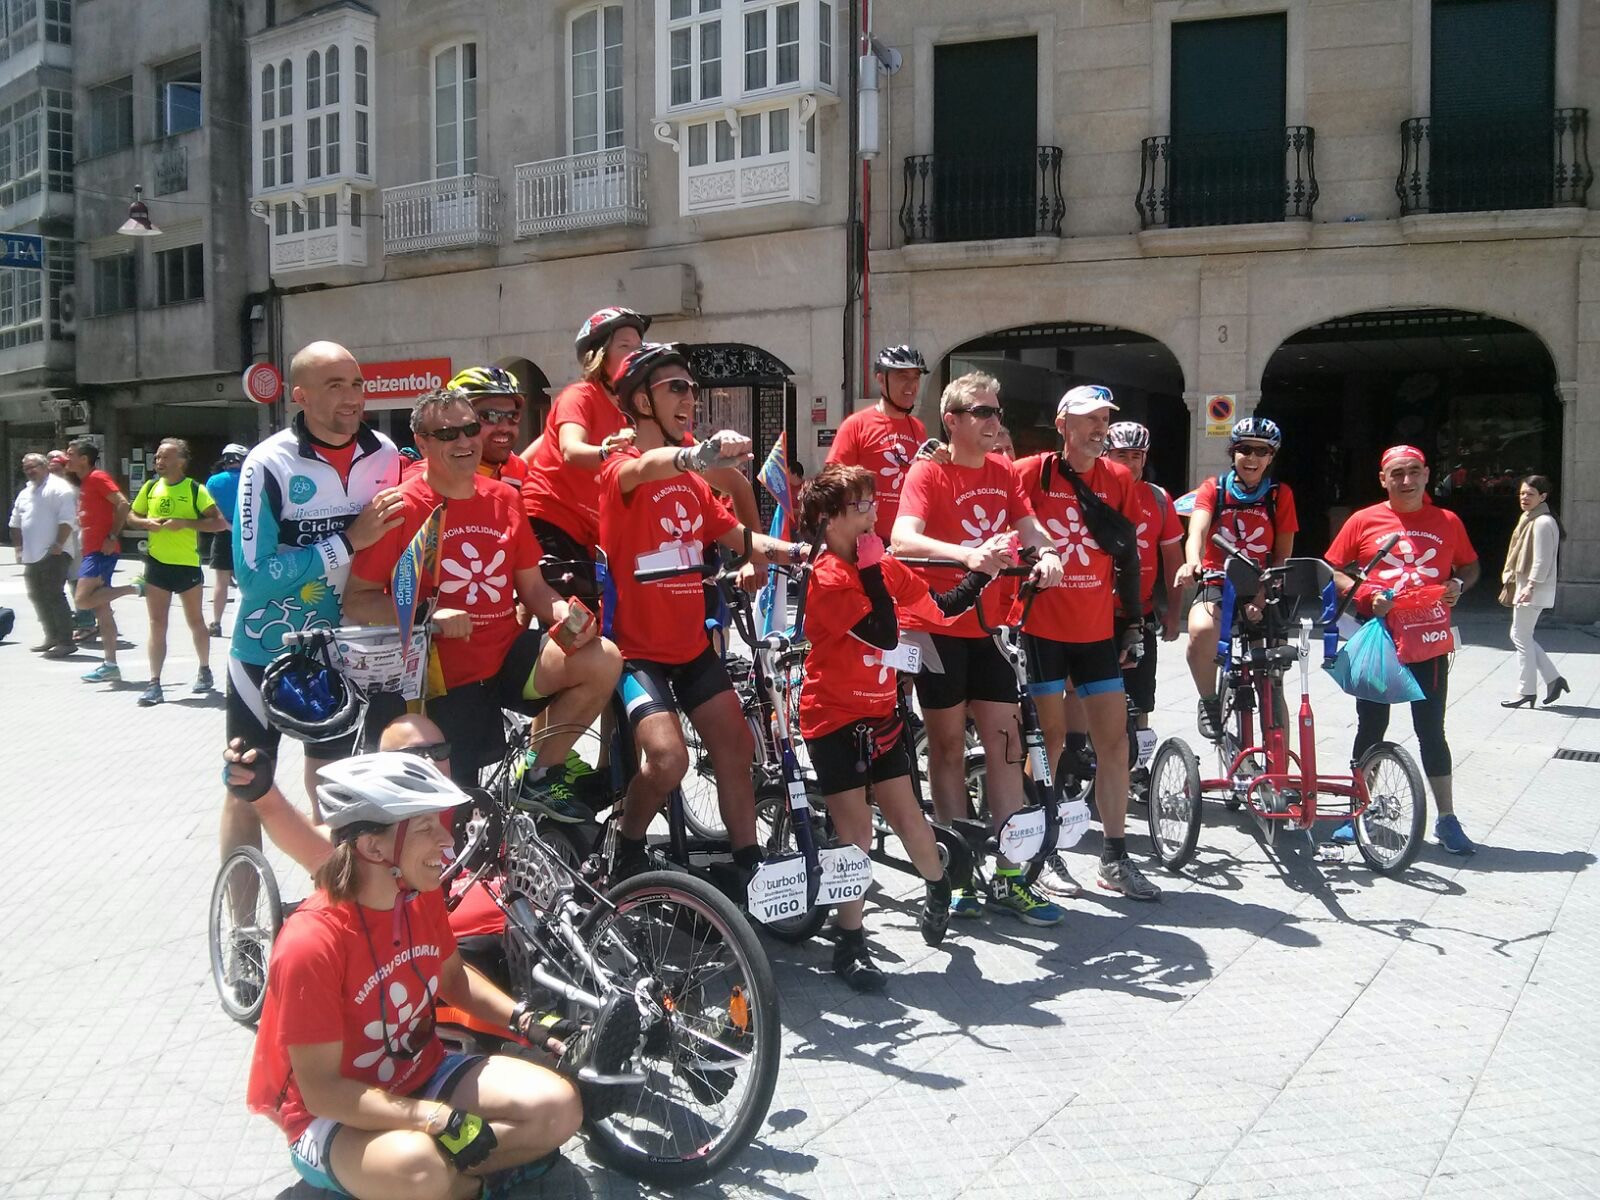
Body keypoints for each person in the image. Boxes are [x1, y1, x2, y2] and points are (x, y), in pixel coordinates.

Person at [244, 752, 584, 1200]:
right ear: (373, 847)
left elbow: (454, 981)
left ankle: (456, 1182)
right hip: (332, 1116)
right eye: (425, 827)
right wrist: (433, 1118)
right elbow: (324, 1094)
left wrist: (526, 1022)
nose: (446, 841)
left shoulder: (417, 897)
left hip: (421, 1072)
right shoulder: (310, 943)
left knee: (560, 1108)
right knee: (420, 1168)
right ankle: (456, 1179)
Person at [346, 389, 622, 809]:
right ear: (421, 442)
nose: (464, 441)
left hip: (506, 657)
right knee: (457, 809)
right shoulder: (401, 505)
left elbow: (532, 589)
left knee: (602, 657)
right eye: (447, 433)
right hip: (442, 680)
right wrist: (430, 616)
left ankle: (537, 776)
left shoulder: (506, 498)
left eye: (471, 428)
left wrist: (561, 611)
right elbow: (358, 600)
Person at [598, 343, 803, 881]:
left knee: (737, 748)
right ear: (641, 401)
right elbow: (646, 465)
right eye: (676, 389)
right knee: (669, 761)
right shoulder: (621, 469)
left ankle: (748, 866)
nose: (690, 398)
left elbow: (741, 538)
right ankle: (629, 846)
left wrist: (804, 553)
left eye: (693, 388)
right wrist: (695, 455)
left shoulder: (693, 483)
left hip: (692, 650)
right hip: (637, 656)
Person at [798, 464, 986, 988]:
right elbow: (882, 633)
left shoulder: (874, 564)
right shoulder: (829, 575)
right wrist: (874, 570)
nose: (873, 515)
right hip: (832, 718)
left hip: (880, 715)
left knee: (909, 818)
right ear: (829, 518)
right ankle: (850, 944)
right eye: (861, 507)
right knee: (855, 832)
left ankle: (938, 883)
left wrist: (984, 571)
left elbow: (942, 610)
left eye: (873, 504)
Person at [891, 371, 1067, 925]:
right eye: (982, 412)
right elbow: (902, 539)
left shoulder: (1001, 470)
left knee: (1006, 745)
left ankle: (1012, 875)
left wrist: (1048, 553)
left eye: (997, 410)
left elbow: (1030, 527)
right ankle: (960, 871)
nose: (995, 422)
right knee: (943, 749)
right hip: (939, 627)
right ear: (953, 420)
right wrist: (965, 556)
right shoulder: (929, 471)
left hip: (992, 627)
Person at [227, 341, 404, 861]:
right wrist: (348, 540)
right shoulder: (268, 463)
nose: (352, 398)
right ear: (299, 396)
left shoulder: (387, 456)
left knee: (333, 780)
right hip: (268, 648)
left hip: (347, 647)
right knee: (247, 782)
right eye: (335, 386)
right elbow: (253, 576)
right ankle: (241, 926)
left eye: (357, 383)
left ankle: (332, 891)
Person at [1012, 387, 1160, 902]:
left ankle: (1115, 856)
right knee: (1048, 742)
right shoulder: (1032, 472)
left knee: (1115, 742)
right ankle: (1043, 847)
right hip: (1041, 629)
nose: (1098, 428)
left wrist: (1135, 622)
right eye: (1087, 419)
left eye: (1104, 419)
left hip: (1097, 631)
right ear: (1062, 424)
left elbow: (1129, 556)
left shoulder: (1120, 478)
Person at [1325, 444, 1481, 856]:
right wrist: (1365, 594)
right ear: (1384, 479)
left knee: (1432, 729)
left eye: (1414, 471)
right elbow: (1334, 570)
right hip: (1379, 641)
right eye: (1397, 473)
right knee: (1371, 727)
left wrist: (1458, 586)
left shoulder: (1447, 521)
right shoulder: (1363, 520)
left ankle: (1447, 820)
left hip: (1427, 640)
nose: (1406, 480)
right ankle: (1358, 809)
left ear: (1428, 474)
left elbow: (1470, 565)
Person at [1174, 417, 1298, 740]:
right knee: (1200, 632)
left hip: (1264, 583)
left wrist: (1261, 597)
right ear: (1233, 452)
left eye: (1262, 451)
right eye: (1245, 449)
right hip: (1218, 580)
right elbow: (1196, 532)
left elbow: (1283, 554)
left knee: (1270, 682)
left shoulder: (1278, 495)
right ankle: (1209, 700)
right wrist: (1191, 564)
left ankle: (1279, 769)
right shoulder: (1213, 489)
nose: (1252, 458)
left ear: (1271, 457)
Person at [125, 438, 227, 705]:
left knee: (195, 621)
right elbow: (131, 517)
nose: (159, 462)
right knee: (157, 624)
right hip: (157, 564)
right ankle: (154, 683)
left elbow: (218, 523)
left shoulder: (195, 489)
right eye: (157, 457)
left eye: (165, 457)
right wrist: (146, 522)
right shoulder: (150, 488)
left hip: (187, 565)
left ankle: (204, 669)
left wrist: (185, 522)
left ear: (181, 461)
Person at [1104, 421, 1185, 727]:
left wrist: (1174, 614)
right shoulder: (1092, 493)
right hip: (1095, 614)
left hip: (1141, 614)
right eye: (1121, 454)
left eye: (1136, 455)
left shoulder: (1159, 499)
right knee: (1091, 696)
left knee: (1140, 701)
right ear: (1106, 455)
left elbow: (1173, 561)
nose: (1129, 462)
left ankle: (1139, 767)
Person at [826, 345, 929, 540]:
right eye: (903, 377)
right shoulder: (855, 425)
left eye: (916, 377)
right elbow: (832, 484)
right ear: (881, 379)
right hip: (866, 540)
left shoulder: (919, 428)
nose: (911, 385)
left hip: (908, 540)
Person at [65, 438, 140, 683]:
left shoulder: (97, 478)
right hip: (92, 550)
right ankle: (110, 665)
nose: (67, 458)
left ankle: (137, 587)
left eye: (71, 454)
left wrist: (111, 536)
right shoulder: (86, 481)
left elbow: (123, 503)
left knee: (83, 600)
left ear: (84, 459)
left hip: (101, 551)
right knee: (102, 610)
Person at [1500, 473, 1567, 708]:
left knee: (1520, 636)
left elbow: (1542, 561)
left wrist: (1529, 587)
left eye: (1530, 494)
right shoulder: (1529, 518)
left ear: (1543, 496)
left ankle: (1527, 690)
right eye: (1522, 493)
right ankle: (1553, 679)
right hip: (1528, 587)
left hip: (1532, 589)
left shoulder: (1542, 522)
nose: (1524, 498)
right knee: (1521, 635)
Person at [9, 452, 78, 657]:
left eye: (33, 467)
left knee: (54, 595)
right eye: (26, 468)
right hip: (32, 555)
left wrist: (58, 543)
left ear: (45, 466)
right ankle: (51, 636)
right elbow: (15, 523)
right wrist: (19, 548)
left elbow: (67, 520)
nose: (30, 471)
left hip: (54, 553)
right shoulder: (26, 492)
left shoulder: (59, 488)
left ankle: (66, 641)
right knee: (37, 596)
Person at [447, 367, 529, 487]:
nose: (505, 427)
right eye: (490, 416)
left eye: (512, 416)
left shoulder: (519, 471)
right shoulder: (435, 477)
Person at [205, 443, 249, 638]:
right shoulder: (250, 478)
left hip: (222, 532)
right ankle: (248, 621)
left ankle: (216, 623)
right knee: (247, 581)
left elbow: (210, 509)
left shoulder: (213, 481)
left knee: (220, 582)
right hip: (248, 533)